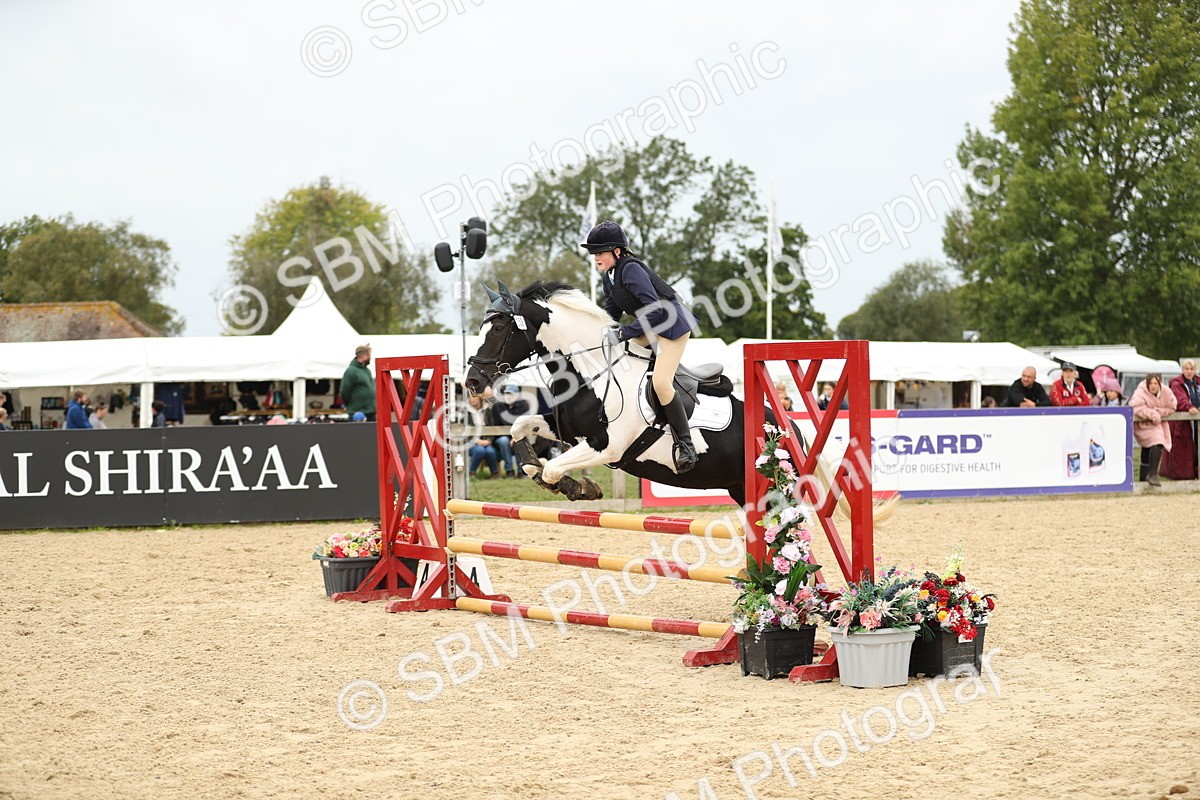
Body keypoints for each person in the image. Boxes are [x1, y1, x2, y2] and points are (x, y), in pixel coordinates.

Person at [585, 220, 700, 473]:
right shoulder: (610, 277)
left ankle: (686, 446)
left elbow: (657, 310)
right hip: (650, 326)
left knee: (661, 383)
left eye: (600, 252)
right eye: (593, 253)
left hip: (672, 324)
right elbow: (611, 312)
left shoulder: (631, 269)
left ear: (617, 251)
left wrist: (625, 332)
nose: (595, 258)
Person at [1130, 373, 1177, 486]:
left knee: (1156, 443)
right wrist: (1151, 413)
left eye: (1155, 383)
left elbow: (1172, 407)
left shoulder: (1166, 392)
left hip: (1158, 424)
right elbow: (1136, 407)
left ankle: (1149, 477)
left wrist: (1159, 412)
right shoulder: (1140, 392)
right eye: (1150, 383)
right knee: (1152, 444)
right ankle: (1149, 477)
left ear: (1159, 383)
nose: (1153, 386)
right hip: (1143, 424)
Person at [1162, 360, 1200, 480]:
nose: (1189, 371)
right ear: (1182, 370)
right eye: (1186, 369)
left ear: (1195, 370)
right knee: (1183, 451)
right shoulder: (1177, 383)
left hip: (1196, 420)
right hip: (1182, 423)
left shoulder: (1198, 383)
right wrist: (1189, 407)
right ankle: (1182, 478)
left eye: (1191, 369)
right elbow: (1180, 398)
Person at [489, 384, 529, 478]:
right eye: (506, 393)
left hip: (518, 436)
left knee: (518, 441)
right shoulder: (497, 406)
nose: (508, 396)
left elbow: (525, 424)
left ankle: (521, 471)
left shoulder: (524, 405)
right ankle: (509, 471)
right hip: (500, 437)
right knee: (503, 441)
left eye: (510, 394)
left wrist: (514, 437)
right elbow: (496, 424)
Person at [464, 394, 501, 478]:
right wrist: (476, 441)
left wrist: (489, 440)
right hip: (471, 442)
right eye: (471, 397)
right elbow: (464, 430)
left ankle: (495, 474)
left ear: (480, 398)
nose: (473, 399)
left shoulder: (487, 410)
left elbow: (492, 427)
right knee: (480, 450)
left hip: (486, 439)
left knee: (490, 452)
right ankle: (471, 473)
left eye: (475, 397)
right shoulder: (465, 411)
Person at [341, 344, 376, 422]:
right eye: (369, 355)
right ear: (363, 355)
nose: (370, 357)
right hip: (357, 412)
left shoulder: (367, 371)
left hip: (370, 412)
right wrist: (351, 406)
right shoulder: (351, 371)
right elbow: (344, 391)